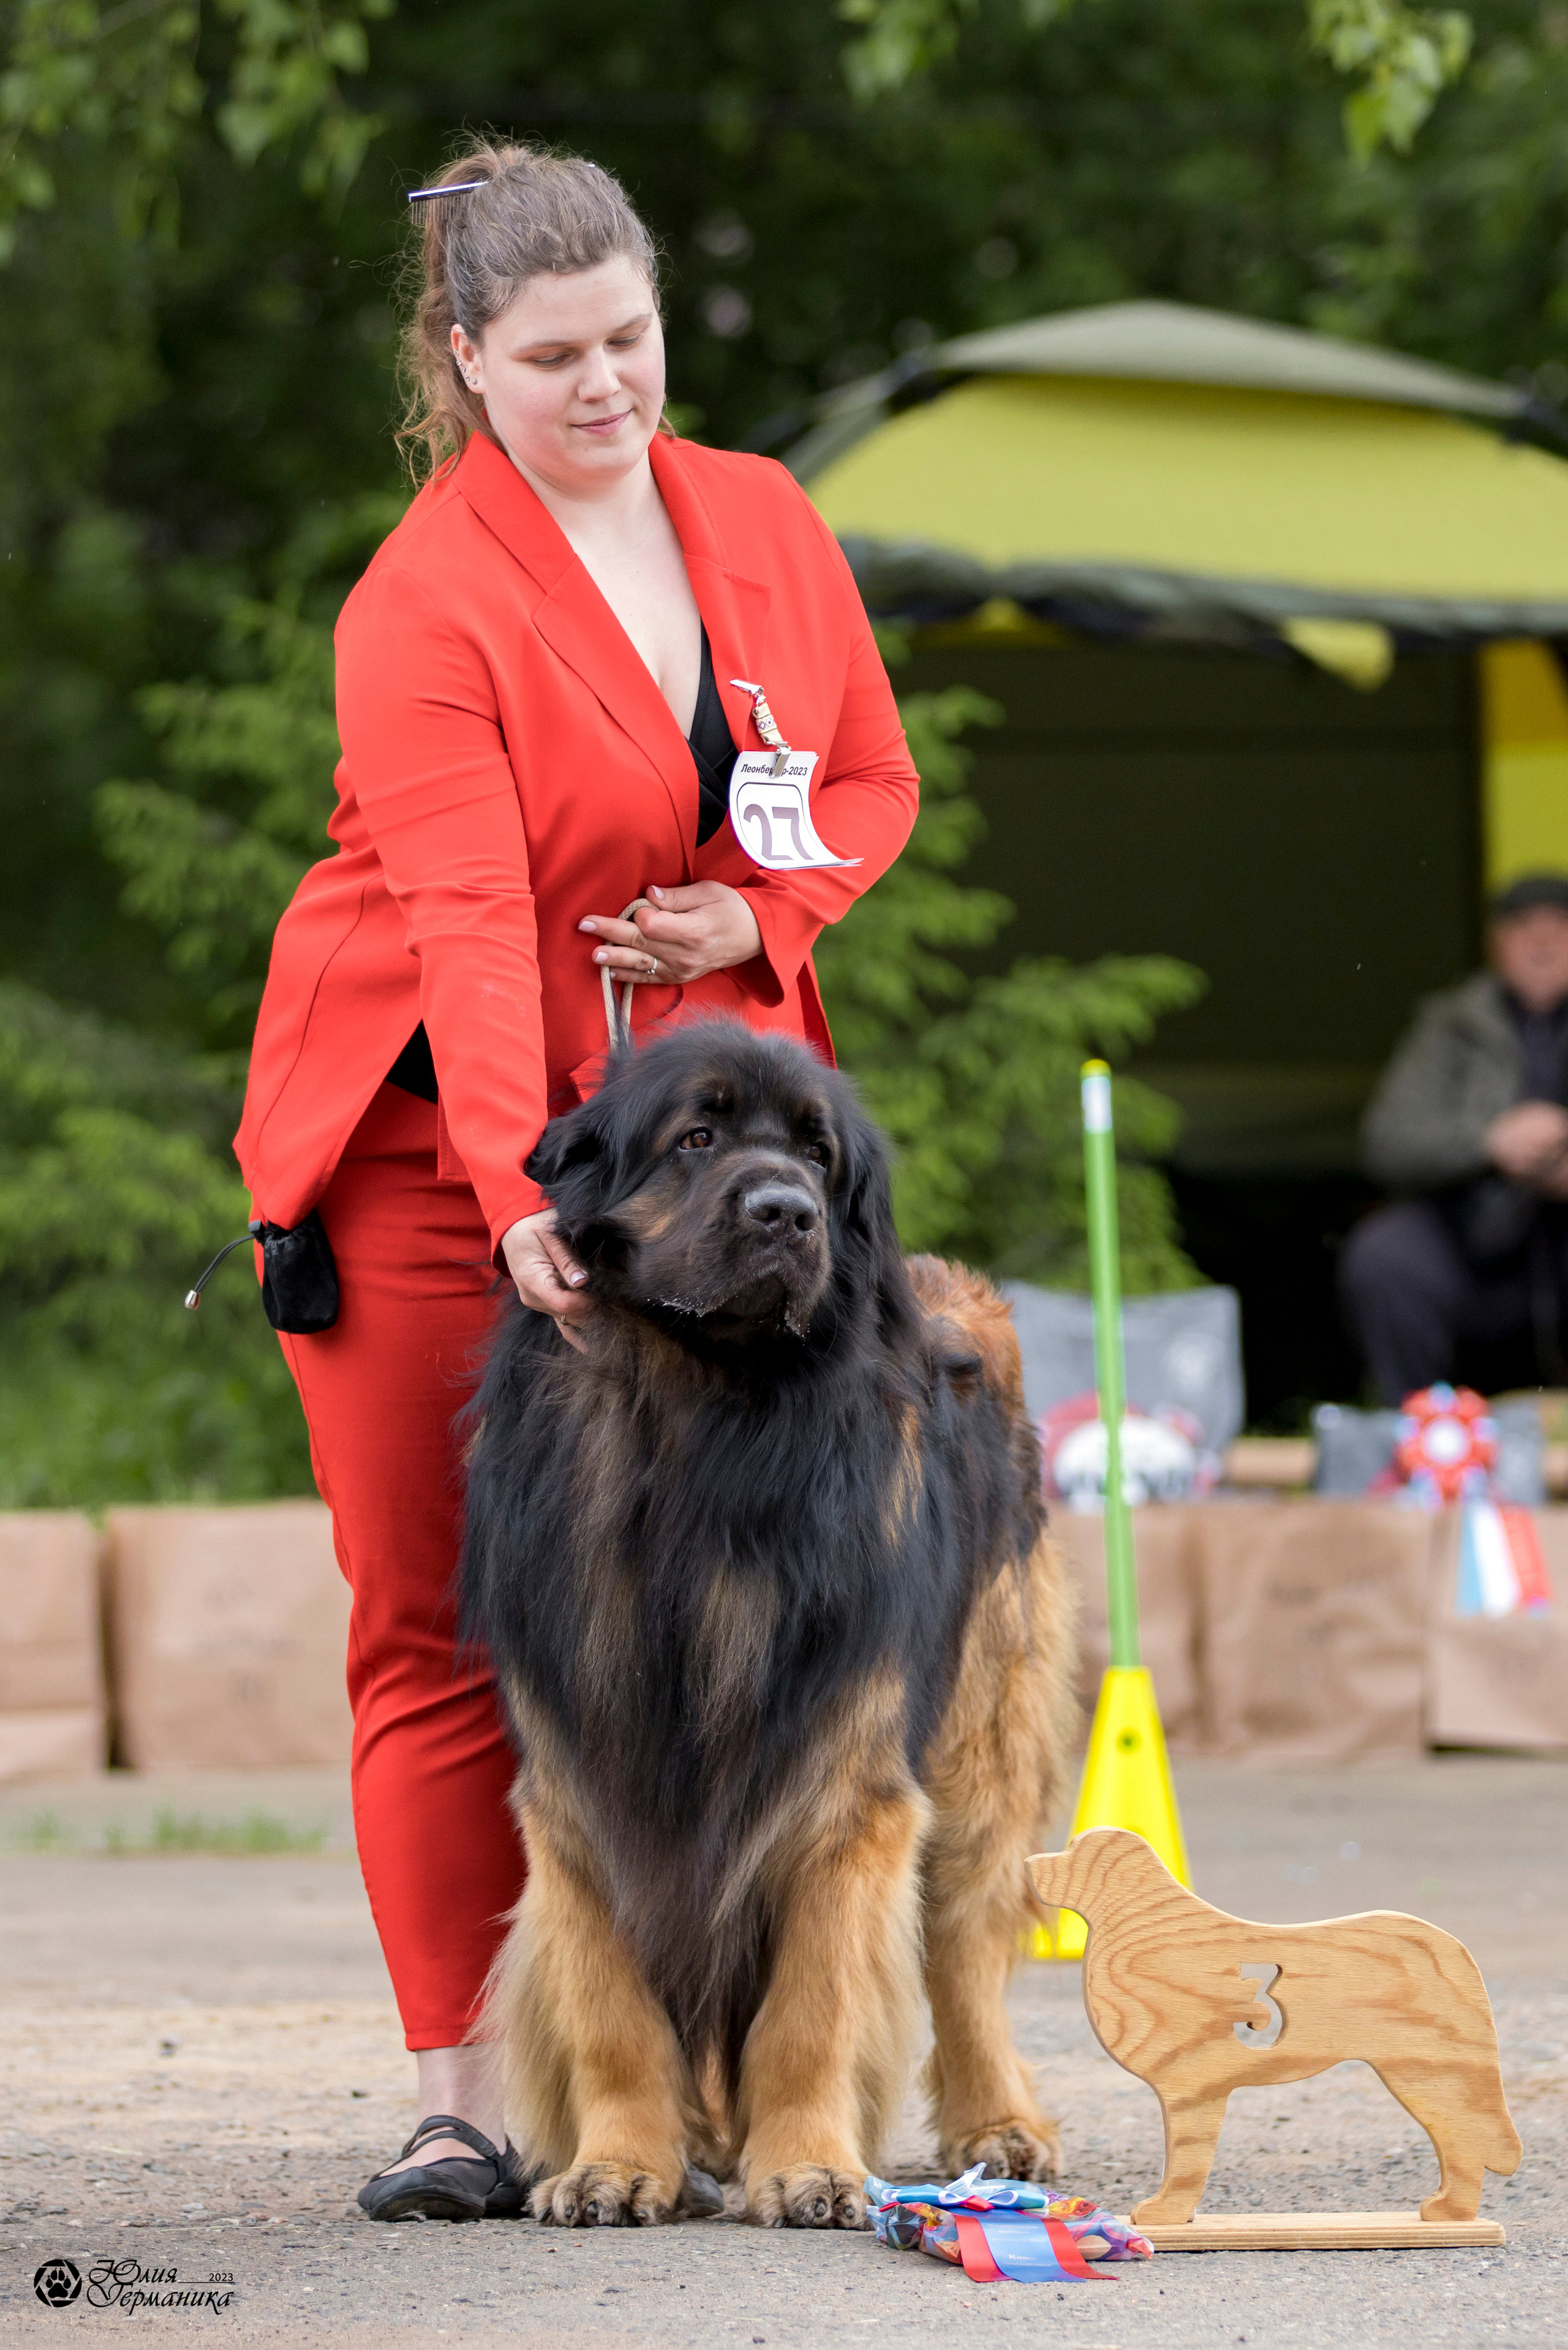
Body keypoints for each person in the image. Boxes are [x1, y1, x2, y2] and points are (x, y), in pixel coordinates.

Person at [233, 140, 919, 2221]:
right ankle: (465, 2088)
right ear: (465, 357)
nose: (607, 386)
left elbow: (866, 780)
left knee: (779, 1608)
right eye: (553, 358)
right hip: (443, 1143)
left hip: (707, 1154)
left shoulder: (767, 519)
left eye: (628, 337)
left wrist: (757, 912)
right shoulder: (424, 597)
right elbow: (457, 912)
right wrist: (513, 1190)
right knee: (450, 1614)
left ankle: (739, 2070)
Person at [1341, 873, 1568, 1404]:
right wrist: (1489, 1144)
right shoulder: (1450, 1024)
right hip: (1476, 1239)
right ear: (1496, 944)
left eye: (1558, 926)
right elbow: (1387, 1141)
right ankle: (1421, 1434)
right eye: (1524, 928)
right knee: (1385, 1255)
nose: (1541, 943)